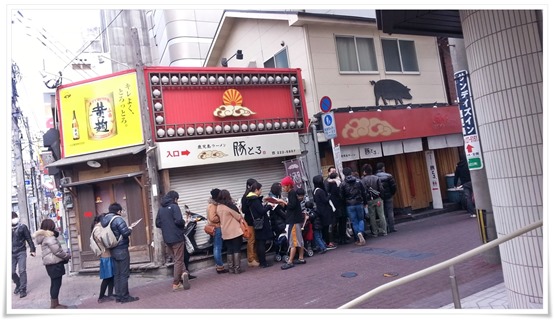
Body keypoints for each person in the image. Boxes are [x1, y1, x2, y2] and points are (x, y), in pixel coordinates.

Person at [101, 202, 139, 303]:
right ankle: (125, 297)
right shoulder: (118, 219)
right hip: (121, 249)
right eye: (121, 211)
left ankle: (118, 296)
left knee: (117, 274)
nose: (121, 212)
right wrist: (130, 228)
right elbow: (125, 233)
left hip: (112, 249)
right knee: (124, 274)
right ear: (118, 211)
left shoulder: (105, 220)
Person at [155, 191, 189, 291]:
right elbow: (178, 221)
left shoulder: (161, 209)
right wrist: (183, 223)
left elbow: (158, 223)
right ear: (175, 199)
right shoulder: (174, 206)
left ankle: (184, 273)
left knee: (177, 258)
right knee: (178, 260)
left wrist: (167, 226)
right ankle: (176, 283)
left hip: (167, 238)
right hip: (177, 236)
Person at [33, 218, 71, 309]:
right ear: (51, 226)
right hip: (54, 263)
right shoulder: (50, 237)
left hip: (50, 263)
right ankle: (54, 305)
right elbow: (57, 251)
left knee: (54, 283)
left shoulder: (44, 237)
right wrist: (67, 256)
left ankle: (54, 303)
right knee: (56, 284)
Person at [245, 181, 275, 268]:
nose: (261, 191)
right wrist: (269, 206)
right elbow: (261, 211)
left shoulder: (250, 199)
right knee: (261, 242)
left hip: (257, 223)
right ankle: (263, 262)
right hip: (261, 223)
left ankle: (262, 261)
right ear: (256, 190)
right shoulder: (254, 200)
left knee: (259, 242)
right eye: (260, 189)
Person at [280, 176, 307, 270]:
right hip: (296, 220)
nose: (283, 188)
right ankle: (301, 258)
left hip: (293, 221)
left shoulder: (291, 193)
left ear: (288, 186)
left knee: (293, 241)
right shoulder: (293, 193)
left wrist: (283, 202)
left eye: (284, 186)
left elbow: (292, 205)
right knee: (299, 240)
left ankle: (290, 261)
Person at [217, 189, 246, 274]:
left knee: (229, 249)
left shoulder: (218, 207)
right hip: (234, 230)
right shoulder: (230, 206)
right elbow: (238, 217)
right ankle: (237, 268)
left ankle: (230, 268)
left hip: (225, 231)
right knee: (237, 248)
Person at [339, 167, 368, 246]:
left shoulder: (343, 184)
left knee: (354, 221)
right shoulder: (358, 181)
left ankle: (358, 236)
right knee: (361, 219)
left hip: (349, 205)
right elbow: (364, 192)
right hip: (359, 202)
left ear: (343, 174)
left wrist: (344, 204)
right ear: (351, 172)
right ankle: (360, 232)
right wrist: (365, 202)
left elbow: (341, 196)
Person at [91, 213, 115, 303]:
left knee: (111, 276)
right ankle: (101, 297)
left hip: (107, 254)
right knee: (107, 277)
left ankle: (110, 294)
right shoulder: (97, 228)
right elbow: (102, 239)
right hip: (105, 255)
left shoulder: (99, 227)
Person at [11, 211, 36, 298]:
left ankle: (23, 289)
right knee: (11, 272)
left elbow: (29, 238)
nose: (14, 219)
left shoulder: (22, 227)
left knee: (22, 270)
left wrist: (32, 249)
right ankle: (18, 283)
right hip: (11, 253)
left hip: (21, 251)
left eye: (14, 217)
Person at [361, 163, 388, 238]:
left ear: (364, 172)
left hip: (369, 199)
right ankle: (384, 231)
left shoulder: (363, 180)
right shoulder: (376, 178)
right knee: (381, 215)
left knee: (372, 216)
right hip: (378, 198)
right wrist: (381, 196)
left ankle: (375, 232)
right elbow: (381, 188)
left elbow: (363, 191)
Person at [206, 188, 228, 273]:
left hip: (214, 228)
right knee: (217, 247)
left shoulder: (211, 205)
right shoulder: (213, 205)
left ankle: (219, 265)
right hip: (216, 228)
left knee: (216, 246)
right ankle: (220, 266)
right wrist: (221, 217)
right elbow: (212, 218)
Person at [312, 174, 336, 250]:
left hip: (320, 210)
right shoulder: (320, 191)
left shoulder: (315, 191)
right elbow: (325, 200)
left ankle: (325, 243)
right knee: (326, 228)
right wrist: (329, 195)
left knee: (324, 228)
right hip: (325, 211)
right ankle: (328, 243)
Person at [241, 178, 260, 267]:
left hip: (253, 220)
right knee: (251, 240)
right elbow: (244, 210)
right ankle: (251, 259)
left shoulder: (248, 195)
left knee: (254, 239)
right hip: (250, 220)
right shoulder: (246, 197)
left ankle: (255, 257)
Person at [375, 162, 398, 233]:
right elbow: (393, 186)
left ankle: (385, 228)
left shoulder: (375, 177)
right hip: (389, 196)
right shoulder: (389, 176)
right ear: (383, 168)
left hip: (380, 197)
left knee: (382, 212)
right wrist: (391, 193)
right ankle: (392, 227)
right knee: (390, 212)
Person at [327, 171, 348, 245]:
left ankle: (340, 238)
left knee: (338, 223)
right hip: (341, 206)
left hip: (335, 207)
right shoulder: (338, 185)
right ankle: (343, 238)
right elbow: (341, 195)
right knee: (343, 223)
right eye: (338, 176)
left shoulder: (330, 185)